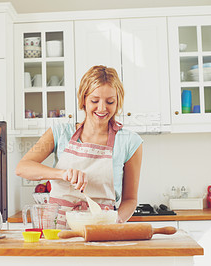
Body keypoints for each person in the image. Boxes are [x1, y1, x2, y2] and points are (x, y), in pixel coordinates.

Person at [15, 65, 143, 227]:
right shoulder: (60, 132)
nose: (102, 108)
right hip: (56, 227)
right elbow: (22, 167)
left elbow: (130, 199)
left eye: (110, 101)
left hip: (101, 227)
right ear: (83, 99)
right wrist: (62, 174)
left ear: (118, 102)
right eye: (94, 101)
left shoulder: (130, 142)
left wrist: (115, 222)